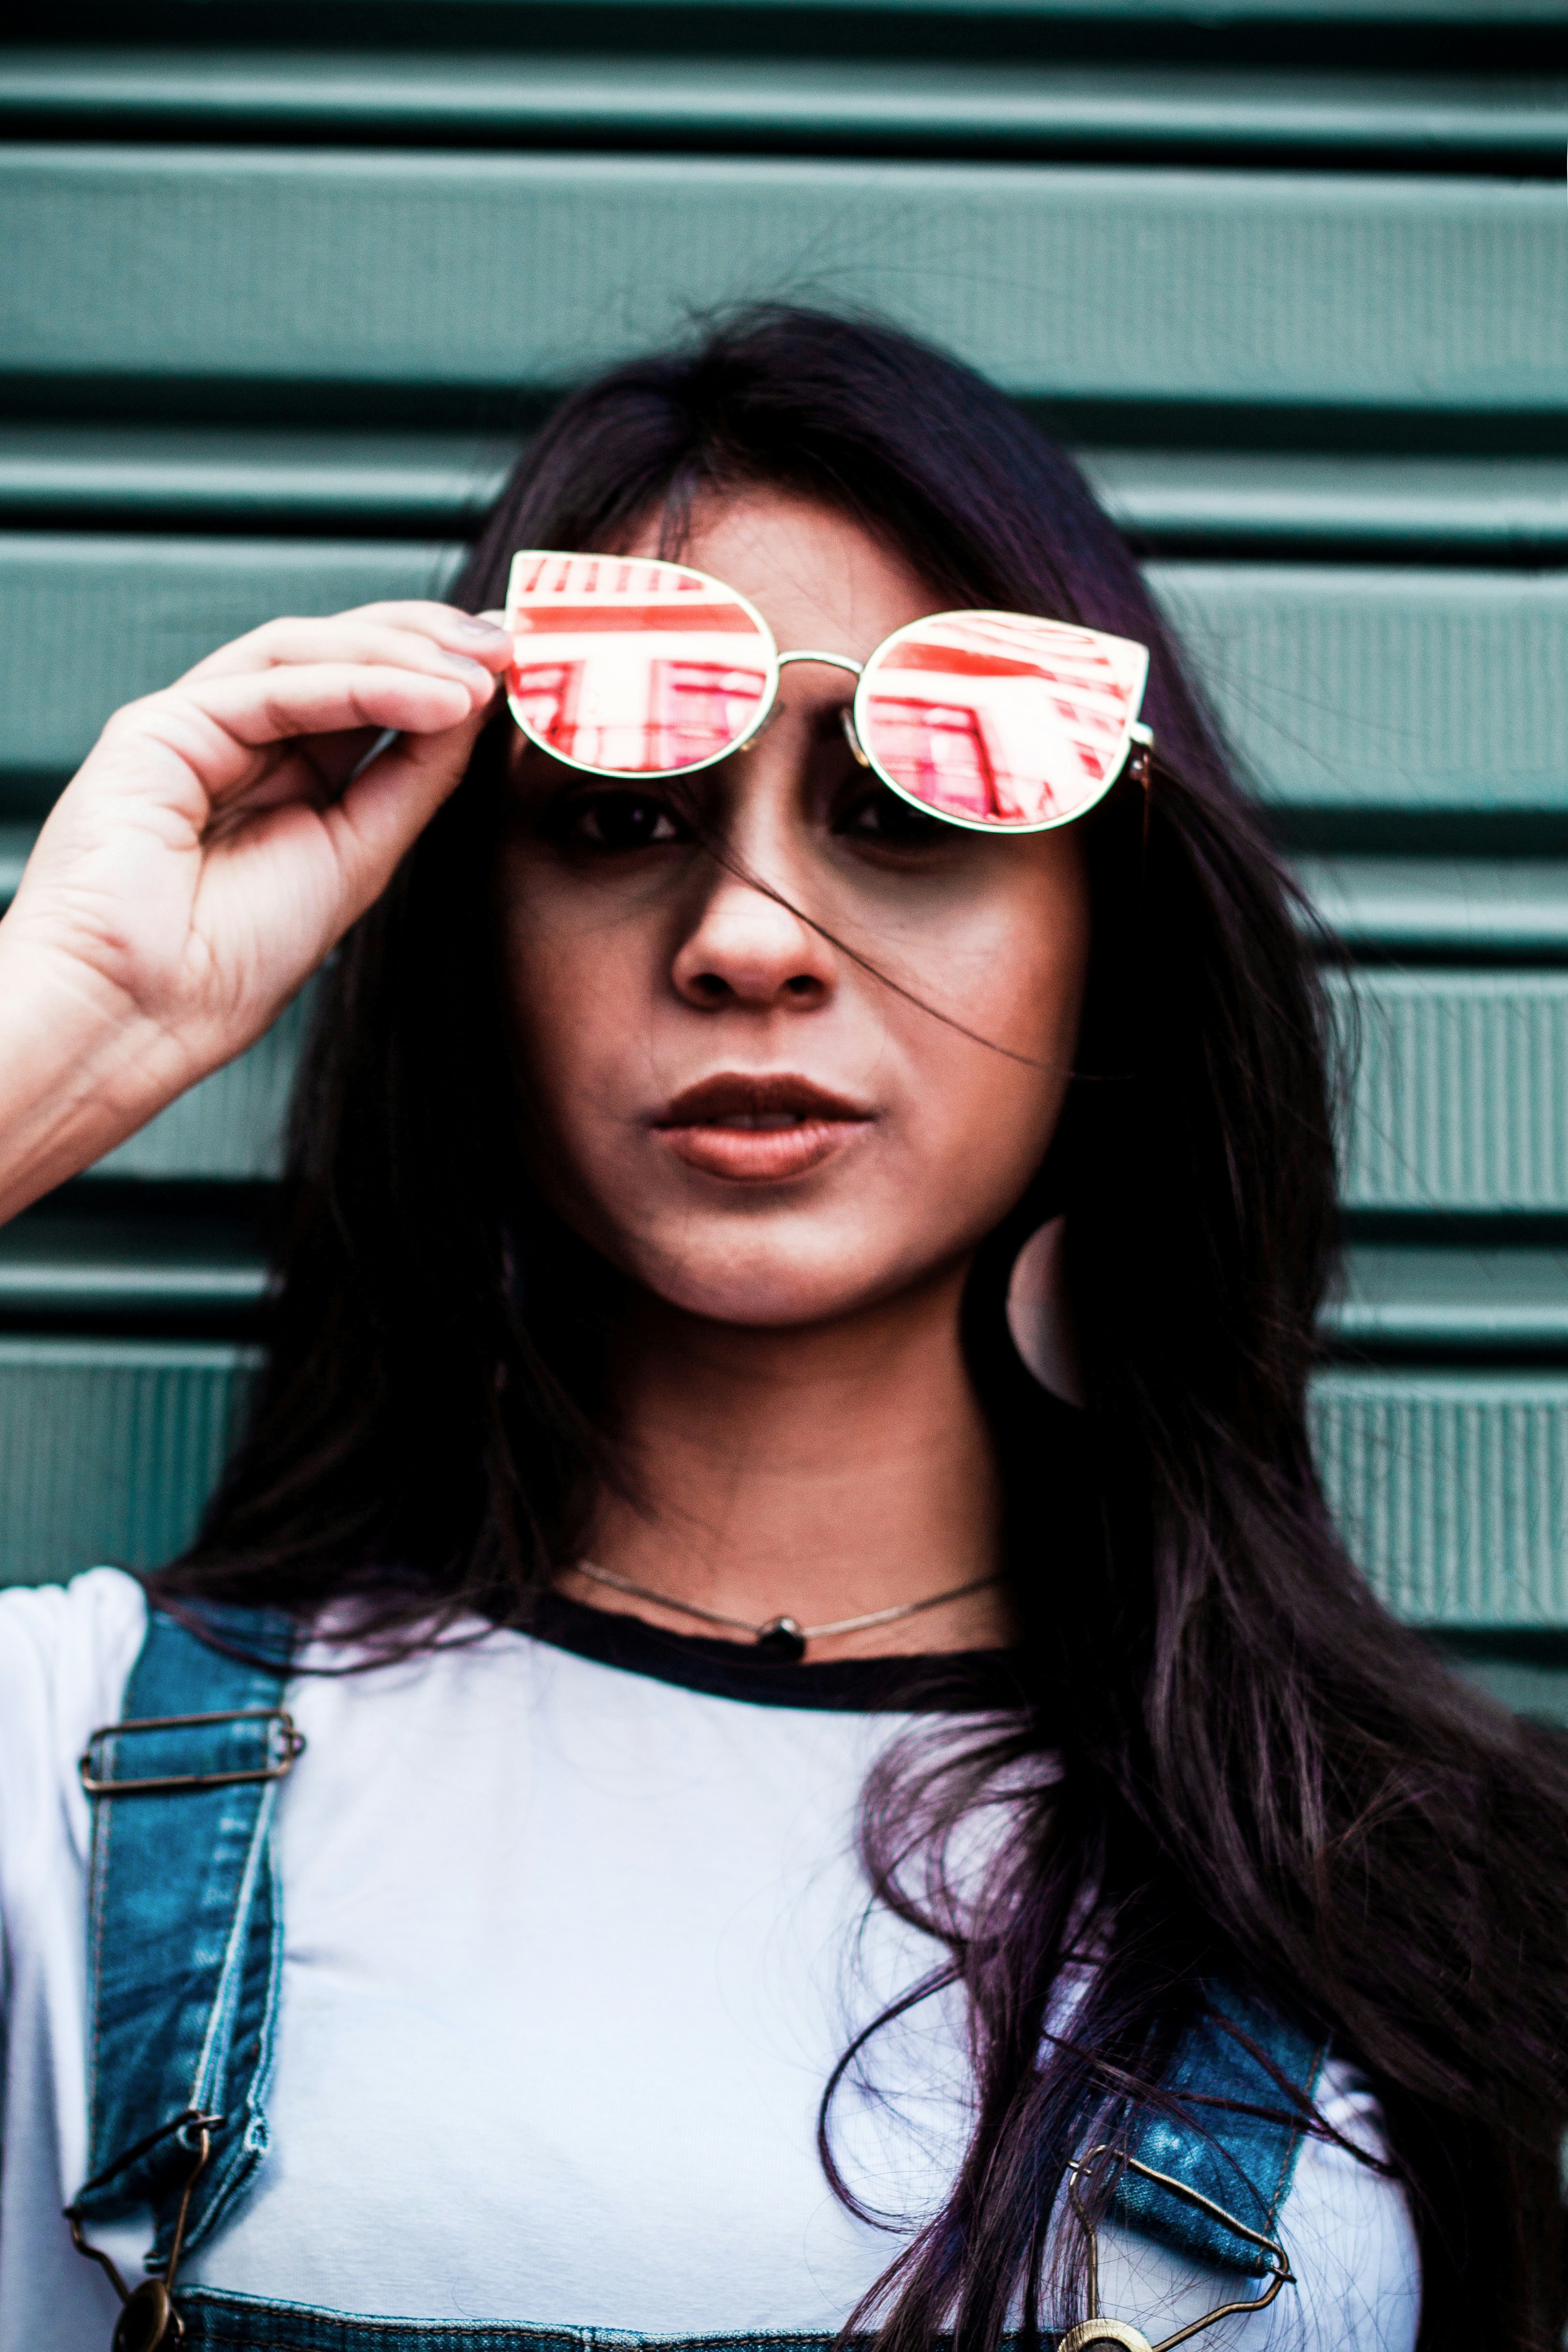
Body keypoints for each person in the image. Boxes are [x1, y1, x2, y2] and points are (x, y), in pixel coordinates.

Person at [0, 307, 1562, 2352]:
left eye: (914, 807)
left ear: (1106, 943)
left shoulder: (1433, 1894)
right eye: (618, 812)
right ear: (474, 940)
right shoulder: (68, 1768)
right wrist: (68, 1028)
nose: (746, 936)